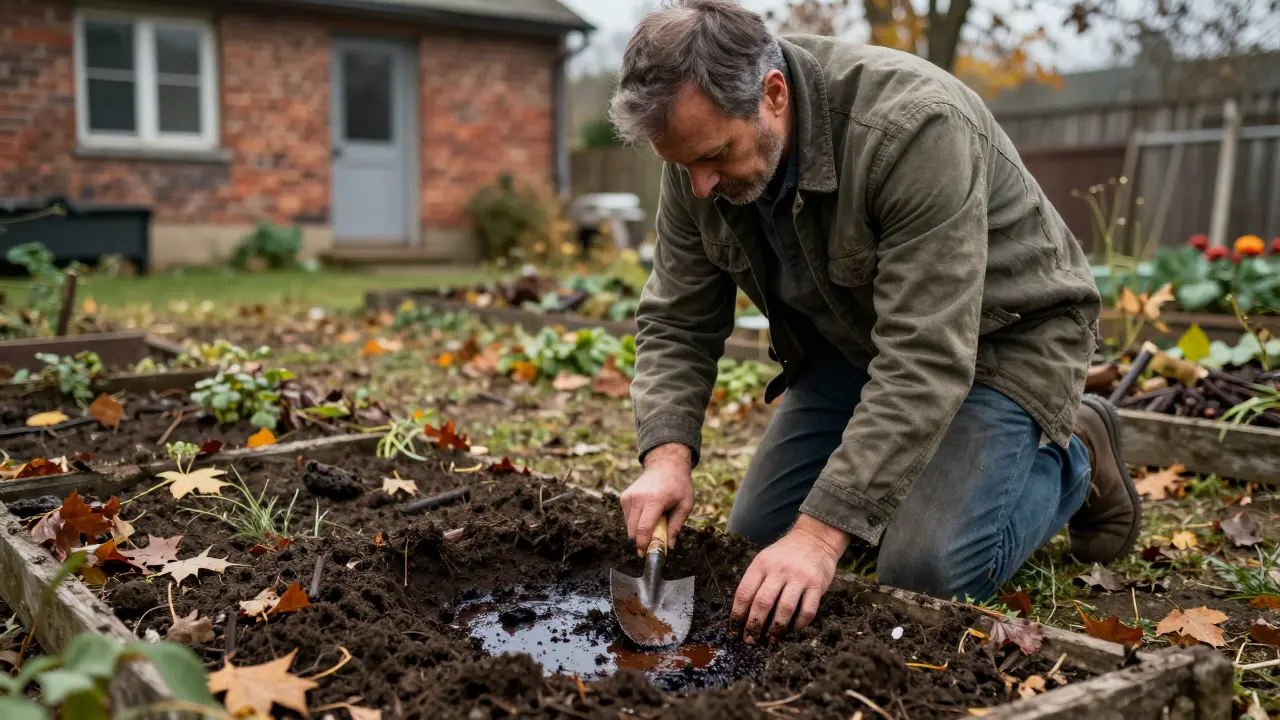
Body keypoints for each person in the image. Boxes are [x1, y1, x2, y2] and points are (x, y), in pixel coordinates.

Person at [608, 0, 1142, 646]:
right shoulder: (698, 159)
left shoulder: (913, 129)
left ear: (773, 95)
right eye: (683, 165)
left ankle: (1075, 449)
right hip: (853, 341)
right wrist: (666, 456)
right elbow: (677, 319)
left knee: (924, 570)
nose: (698, 185)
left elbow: (926, 356)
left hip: (1003, 339)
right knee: (754, 540)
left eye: (716, 156)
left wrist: (820, 535)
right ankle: (927, 471)